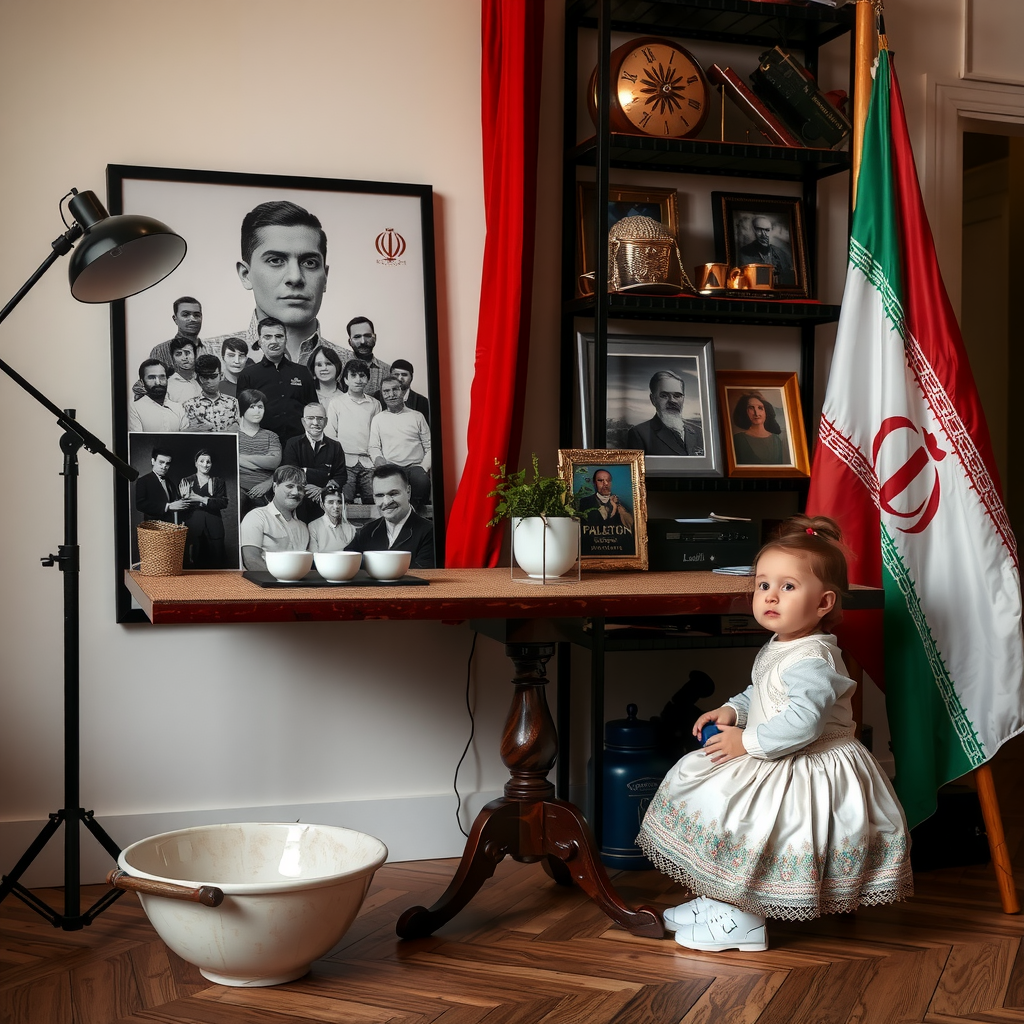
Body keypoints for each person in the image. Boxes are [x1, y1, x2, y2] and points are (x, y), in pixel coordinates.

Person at [637, 516, 913, 953]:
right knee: (717, 804)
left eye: (788, 587)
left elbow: (802, 722)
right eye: (763, 584)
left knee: (759, 827)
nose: (770, 596)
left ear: (823, 603)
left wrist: (744, 741)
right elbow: (764, 691)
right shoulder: (784, 645)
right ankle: (720, 896)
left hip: (808, 762)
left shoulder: (815, 660)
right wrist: (733, 709)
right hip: (777, 747)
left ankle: (743, 919)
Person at [205, 199, 346, 366]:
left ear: (325, 277)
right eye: (275, 260)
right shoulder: (203, 355)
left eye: (309, 263)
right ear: (245, 275)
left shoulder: (356, 365)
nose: (295, 277)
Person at [235, 316, 317, 444]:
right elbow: (242, 415)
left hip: (299, 443)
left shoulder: (302, 372)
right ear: (260, 341)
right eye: (267, 337)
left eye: (279, 336)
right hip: (262, 443)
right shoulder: (248, 375)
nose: (274, 341)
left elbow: (313, 408)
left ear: (286, 339)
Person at [345, 464, 434, 569]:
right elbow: (346, 563)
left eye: (393, 494)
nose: (386, 502)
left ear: (408, 492)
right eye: (379, 495)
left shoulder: (430, 532)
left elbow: (422, 577)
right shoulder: (365, 532)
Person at [368, 375, 431, 507]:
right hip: (391, 467)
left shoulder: (417, 416)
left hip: (414, 467)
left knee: (421, 481)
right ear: (382, 394)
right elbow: (373, 446)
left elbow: (430, 446)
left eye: (395, 389)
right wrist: (378, 458)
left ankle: (415, 514)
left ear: (402, 391)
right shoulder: (378, 419)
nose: (391, 394)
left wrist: (423, 467)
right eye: (386, 391)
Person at [325, 358, 381, 504]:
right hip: (345, 462)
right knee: (345, 500)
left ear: (367, 379)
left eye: (362, 375)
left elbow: (377, 434)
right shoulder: (336, 403)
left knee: (374, 500)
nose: (358, 379)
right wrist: (338, 460)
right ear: (346, 379)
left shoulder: (374, 404)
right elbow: (330, 434)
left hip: (368, 461)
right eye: (353, 375)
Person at [281, 402, 347, 522]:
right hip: (300, 497)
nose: (315, 423)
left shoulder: (335, 446)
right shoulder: (293, 444)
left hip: (326, 497)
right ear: (303, 421)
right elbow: (290, 473)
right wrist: (311, 485)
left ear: (326, 421)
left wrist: (322, 490)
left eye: (320, 418)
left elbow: (341, 476)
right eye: (310, 418)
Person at [239, 465, 310, 572]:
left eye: (300, 488)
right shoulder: (256, 517)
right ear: (274, 487)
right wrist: (281, 583)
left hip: (295, 586)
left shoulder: (303, 527)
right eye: (290, 486)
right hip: (264, 586)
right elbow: (251, 560)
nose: (295, 492)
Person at [624, 370, 705, 457]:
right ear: (653, 399)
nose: (672, 401)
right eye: (664, 395)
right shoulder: (639, 434)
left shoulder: (698, 431)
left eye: (677, 395)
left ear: (683, 398)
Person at [179, 448, 229, 568]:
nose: (205, 465)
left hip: (214, 527)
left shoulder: (218, 482)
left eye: (208, 462)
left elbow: (223, 502)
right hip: (193, 526)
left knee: (217, 562)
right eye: (202, 461)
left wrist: (199, 498)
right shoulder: (186, 481)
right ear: (196, 463)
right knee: (193, 562)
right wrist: (208, 501)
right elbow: (183, 504)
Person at [236, 387, 282, 516]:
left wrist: (239, 457)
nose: (257, 411)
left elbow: (273, 463)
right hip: (238, 489)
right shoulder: (232, 434)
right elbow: (227, 462)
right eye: (252, 407)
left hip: (265, 489)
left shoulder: (271, 436)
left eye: (260, 407)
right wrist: (260, 461)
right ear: (242, 409)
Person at [148, 296, 207, 372]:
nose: (192, 319)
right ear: (175, 319)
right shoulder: (160, 351)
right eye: (185, 315)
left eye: (197, 315)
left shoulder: (210, 350)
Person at [182, 355, 240, 432]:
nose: (209, 381)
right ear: (199, 378)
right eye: (205, 377)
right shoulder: (189, 405)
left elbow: (238, 431)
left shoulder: (232, 403)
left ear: (221, 376)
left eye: (213, 376)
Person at [128, 360, 189, 432]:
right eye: (151, 377)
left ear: (167, 379)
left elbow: (184, 440)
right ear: (142, 382)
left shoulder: (178, 408)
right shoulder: (134, 409)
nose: (158, 382)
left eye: (162, 377)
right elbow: (137, 441)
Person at [134, 448, 191, 524]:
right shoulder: (143, 481)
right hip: (153, 528)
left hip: (171, 527)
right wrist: (168, 506)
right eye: (161, 462)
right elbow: (140, 505)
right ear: (153, 461)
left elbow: (175, 503)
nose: (164, 466)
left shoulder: (170, 482)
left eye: (167, 463)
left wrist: (183, 497)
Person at [731, 390, 787, 465]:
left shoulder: (776, 440)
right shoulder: (738, 440)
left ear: (766, 411)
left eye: (760, 408)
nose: (756, 413)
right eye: (751, 408)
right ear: (744, 411)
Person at [337, 316, 391, 394]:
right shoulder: (340, 368)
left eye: (367, 336)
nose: (363, 341)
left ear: (375, 338)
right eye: (357, 337)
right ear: (350, 342)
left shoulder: (388, 371)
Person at [737, 215, 794, 287]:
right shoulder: (744, 253)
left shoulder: (780, 253)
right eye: (759, 230)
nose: (764, 235)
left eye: (767, 230)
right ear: (753, 230)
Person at [308, 481, 356, 552]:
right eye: (330, 502)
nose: (336, 506)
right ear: (322, 504)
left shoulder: (350, 528)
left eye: (339, 502)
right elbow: (313, 554)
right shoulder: (314, 526)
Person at [165, 336, 203, 405]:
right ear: (173, 359)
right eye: (178, 354)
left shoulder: (203, 379)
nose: (184, 358)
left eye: (187, 353)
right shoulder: (169, 386)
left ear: (195, 355)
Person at [306, 344, 345, 410]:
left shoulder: (346, 398)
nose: (324, 368)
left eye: (328, 364)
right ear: (313, 370)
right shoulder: (306, 397)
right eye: (319, 365)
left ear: (337, 367)